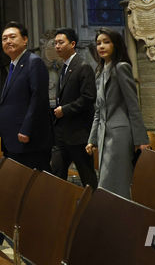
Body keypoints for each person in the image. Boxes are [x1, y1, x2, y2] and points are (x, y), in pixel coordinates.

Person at [86, 28, 149, 198]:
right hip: (103, 134)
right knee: (107, 181)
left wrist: (140, 139)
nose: (101, 46)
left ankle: (118, 217)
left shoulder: (121, 67)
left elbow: (133, 105)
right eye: (98, 43)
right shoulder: (100, 71)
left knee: (114, 181)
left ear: (116, 44)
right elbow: (98, 110)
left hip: (120, 134)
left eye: (106, 42)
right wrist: (92, 139)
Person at [0, 21, 52, 170]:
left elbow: (38, 99)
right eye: (4, 39)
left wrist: (26, 129)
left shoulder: (33, 62)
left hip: (28, 140)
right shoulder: (13, 66)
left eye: (12, 37)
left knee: (34, 187)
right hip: (13, 140)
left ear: (25, 39)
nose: (8, 41)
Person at [51, 28, 98, 189]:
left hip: (78, 135)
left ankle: (94, 208)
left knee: (87, 178)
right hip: (62, 135)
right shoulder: (63, 68)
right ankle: (59, 209)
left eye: (61, 42)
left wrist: (65, 109)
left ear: (72, 44)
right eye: (55, 43)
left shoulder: (83, 66)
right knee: (56, 174)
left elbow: (88, 98)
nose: (57, 46)